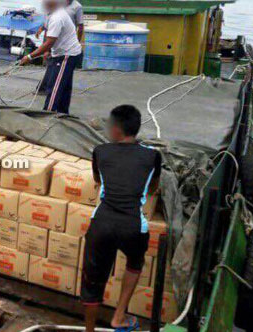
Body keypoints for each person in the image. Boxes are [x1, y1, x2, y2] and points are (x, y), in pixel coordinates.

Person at [81, 105, 162, 332]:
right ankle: (119, 316)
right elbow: (153, 187)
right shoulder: (153, 156)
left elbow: (97, 180)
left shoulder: (101, 151)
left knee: (92, 280)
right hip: (133, 226)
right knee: (135, 263)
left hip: (103, 223)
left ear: (116, 130)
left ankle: (89, 330)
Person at [21, 0, 81, 114]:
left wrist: (29, 56)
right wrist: (48, 50)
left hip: (66, 55)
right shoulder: (52, 14)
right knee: (64, 86)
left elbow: (49, 42)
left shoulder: (57, 17)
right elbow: (49, 32)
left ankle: (47, 113)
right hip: (65, 52)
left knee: (54, 87)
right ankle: (63, 113)